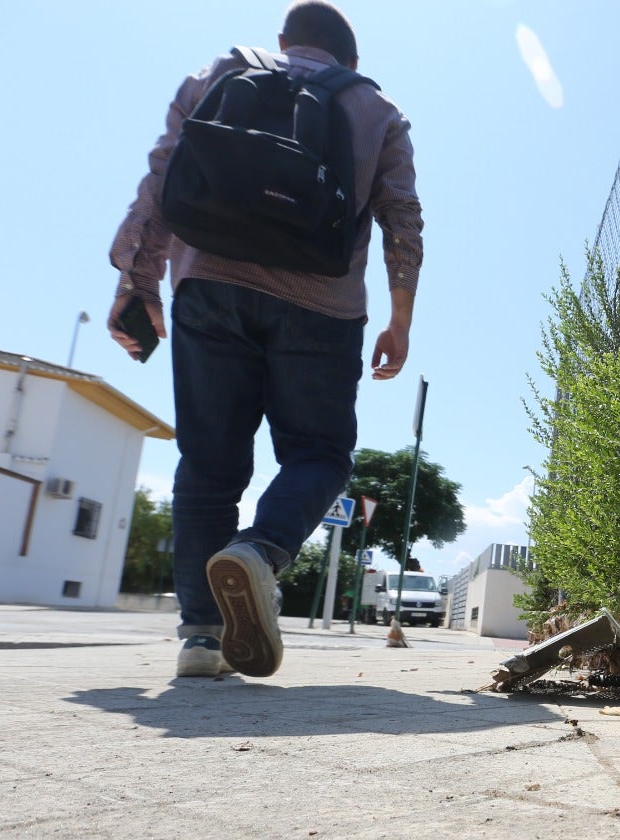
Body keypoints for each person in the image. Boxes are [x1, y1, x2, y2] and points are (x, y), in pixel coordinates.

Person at [108, 1, 422, 679]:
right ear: (351, 61)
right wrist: (401, 317)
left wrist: (137, 283)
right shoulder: (376, 109)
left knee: (209, 465)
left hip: (208, 286)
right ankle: (261, 550)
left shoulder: (221, 70)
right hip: (323, 306)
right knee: (320, 455)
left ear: (285, 42)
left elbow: (162, 176)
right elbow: (403, 221)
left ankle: (200, 638)